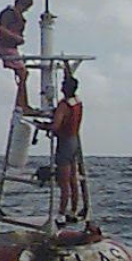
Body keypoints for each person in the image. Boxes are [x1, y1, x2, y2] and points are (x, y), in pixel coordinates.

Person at [37, 76, 83, 224]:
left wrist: (42, 126)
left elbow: (56, 126)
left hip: (64, 142)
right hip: (74, 141)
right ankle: (73, 210)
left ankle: (61, 214)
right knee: (73, 180)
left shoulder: (64, 105)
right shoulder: (77, 102)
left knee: (63, 181)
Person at [0, 0, 35, 113]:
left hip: (12, 48)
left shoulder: (17, 17)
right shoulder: (8, 14)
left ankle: (22, 103)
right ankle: (22, 104)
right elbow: (1, 29)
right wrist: (15, 37)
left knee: (23, 74)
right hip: (6, 47)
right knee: (23, 73)